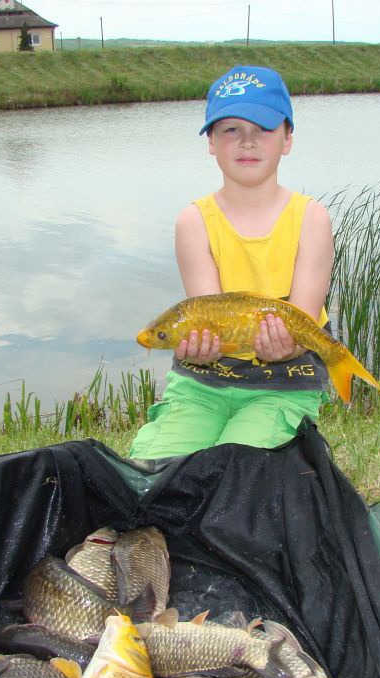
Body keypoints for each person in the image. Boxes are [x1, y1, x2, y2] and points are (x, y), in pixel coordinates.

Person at [129, 65, 335, 461]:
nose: (247, 142)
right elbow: (207, 315)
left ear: (288, 138)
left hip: (283, 382)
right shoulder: (194, 221)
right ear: (210, 141)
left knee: (237, 464)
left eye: (263, 129)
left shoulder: (311, 218)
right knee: (154, 467)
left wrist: (287, 349)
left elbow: (302, 324)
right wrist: (200, 347)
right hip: (202, 385)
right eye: (231, 130)